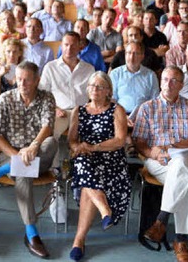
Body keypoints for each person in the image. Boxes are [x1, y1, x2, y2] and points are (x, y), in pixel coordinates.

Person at [0, 61, 58, 259]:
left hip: (38, 153)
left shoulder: (46, 97)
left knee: (51, 142)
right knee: (23, 173)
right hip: (10, 153)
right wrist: (16, 154)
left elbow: (48, 125)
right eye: (19, 79)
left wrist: (33, 146)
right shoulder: (5, 99)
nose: (22, 84)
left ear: (37, 80)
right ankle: (32, 234)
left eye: (27, 80)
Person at [133, 66, 188, 262]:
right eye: (165, 79)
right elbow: (139, 141)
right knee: (185, 178)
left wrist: (173, 146)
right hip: (159, 160)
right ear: (160, 81)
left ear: (181, 85)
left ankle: (161, 220)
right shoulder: (147, 107)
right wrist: (151, 152)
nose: (168, 84)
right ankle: (181, 241)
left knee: (181, 162)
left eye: (174, 80)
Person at [68, 72, 130, 261]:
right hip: (86, 157)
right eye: (92, 86)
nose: (95, 89)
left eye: (100, 86)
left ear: (108, 91)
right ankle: (105, 211)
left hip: (111, 159)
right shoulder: (79, 111)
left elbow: (120, 141)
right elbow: (72, 140)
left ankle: (79, 240)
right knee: (82, 163)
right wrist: (77, 148)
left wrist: (94, 147)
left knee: (87, 179)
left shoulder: (116, 110)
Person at [39, 32, 95, 166]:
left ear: (80, 47)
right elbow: (42, 94)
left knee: (96, 132)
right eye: (66, 45)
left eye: (73, 45)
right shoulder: (50, 67)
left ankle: (84, 169)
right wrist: (55, 108)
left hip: (82, 112)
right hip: (60, 111)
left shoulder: (88, 69)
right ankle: (54, 169)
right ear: (61, 46)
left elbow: (93, 95)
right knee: (50, 135)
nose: (69, 49)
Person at [110, 40, 159, 116]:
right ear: (125, 55)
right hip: (121, 115)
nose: (131, 57)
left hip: (145, 115)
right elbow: (112, 100)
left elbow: (155, 101)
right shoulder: (115, 74)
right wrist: (122, 117)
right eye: (129, 53)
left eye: (136, 53)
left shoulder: (151, 75)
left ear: (142, 56)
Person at [0, 39, 24, 103]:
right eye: (8, 51)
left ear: (20, 53)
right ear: (4, 53)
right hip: (2, 105)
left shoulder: (24, 72)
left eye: (15, 52)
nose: (11, 55)